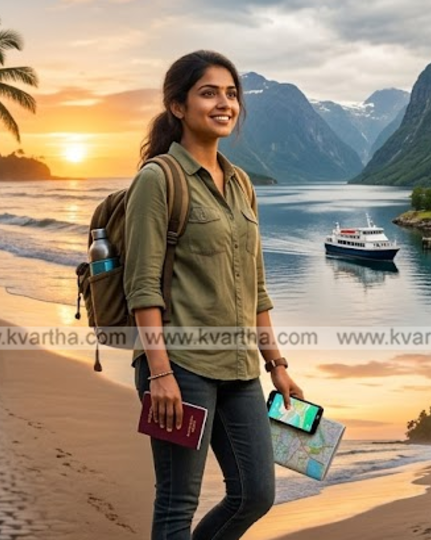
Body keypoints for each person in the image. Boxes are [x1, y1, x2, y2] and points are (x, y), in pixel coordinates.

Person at [123, 50, 305, 540]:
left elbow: (256, 286)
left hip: (241, 368)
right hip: (180, 367)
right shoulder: (158, 179)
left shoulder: (242, 183)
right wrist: (159, 374)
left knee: (255, 494)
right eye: (209, 93)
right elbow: (142, 287)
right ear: (178, 106)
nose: (224, 103)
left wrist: (276, 364)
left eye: (231, 94)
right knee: (177, 504)